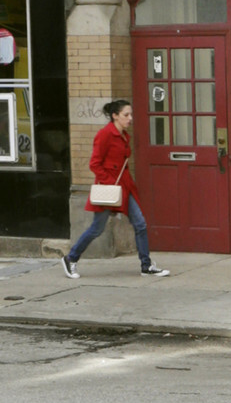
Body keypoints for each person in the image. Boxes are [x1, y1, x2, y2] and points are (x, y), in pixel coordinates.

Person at [62, 100, 168, 277]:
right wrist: (110, 182)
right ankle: (71, 258)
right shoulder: (104, 135)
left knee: (140, 223)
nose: (130, 118)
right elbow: (94, 164)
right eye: (126, 115)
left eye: (130, 114)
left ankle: (146, 265)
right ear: (115, 116)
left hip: (125, 187)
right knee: (97, 229)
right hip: (109, 189)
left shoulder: (125, 136)